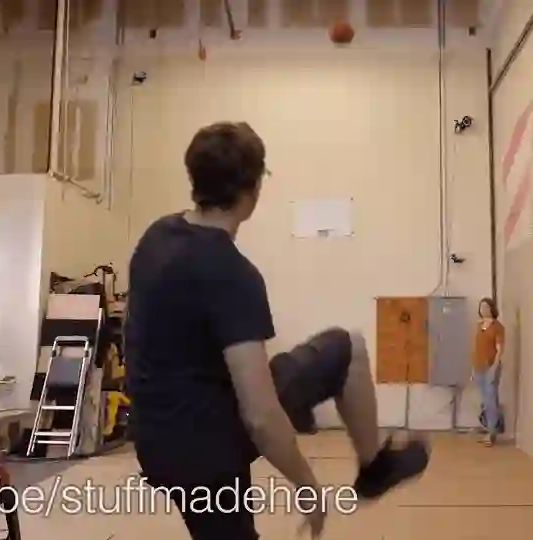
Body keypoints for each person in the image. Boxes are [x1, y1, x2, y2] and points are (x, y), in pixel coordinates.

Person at [124, 121, 430, 540]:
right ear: (253, 189)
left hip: (157, 443)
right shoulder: (233, 275)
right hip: (207, 449)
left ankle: (372, 466)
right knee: (345, 351)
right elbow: (261, 416)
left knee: (344, 349)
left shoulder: (156, 237)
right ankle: (372, 468)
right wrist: (307, 486)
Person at [472, 297, 505, 447]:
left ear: (492, 309)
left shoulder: (497, 327)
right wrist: (473, 369)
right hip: (478, 367)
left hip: (490, 367)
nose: (483, 309)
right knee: (485, 400)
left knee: (491, 399)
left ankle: (492, 432)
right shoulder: (479, 326)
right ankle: (489, 429)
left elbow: (499, 350)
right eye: (481, 307)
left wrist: (494, 367)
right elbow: (476, 348)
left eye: (486, 307)